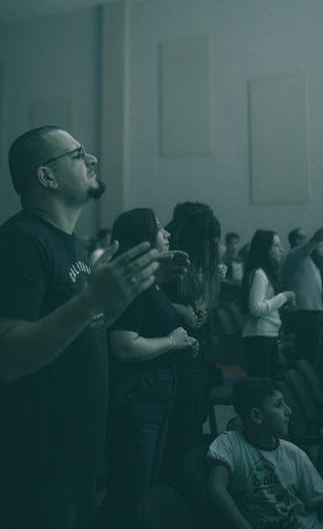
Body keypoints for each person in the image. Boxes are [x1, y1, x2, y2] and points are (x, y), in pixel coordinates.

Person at [0, 126, 161, 529]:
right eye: (77, 154)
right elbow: (6, 357)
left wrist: (117, 299)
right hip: (28, 471)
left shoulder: (73, 245)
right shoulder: (20, 244)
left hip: (74, 462)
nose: (92, 159)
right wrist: (91, 300)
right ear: (46, 177)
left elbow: (83, 328)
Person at [101, 208, 195, 529]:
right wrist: (171, 342)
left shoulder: (150, 281)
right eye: (158, 229)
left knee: (145, 487)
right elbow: (124, 346)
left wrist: (180, 342)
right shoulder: (131, 283)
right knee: (131, 490)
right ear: (143, 239)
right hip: (138, 395)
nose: (166, 233)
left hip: (155, 392)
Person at [207, 377, 323, 528]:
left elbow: (319, 499)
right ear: (257, 416)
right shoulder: (228, 444)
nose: (289, 411)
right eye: (279, 405)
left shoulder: (294, 453)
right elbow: (216, 488)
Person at [161, 201, 222, 481]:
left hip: (199, 351)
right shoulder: (168, 259)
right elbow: (145, 298)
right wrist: (181, 309)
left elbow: (204, 304)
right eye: (207, 240)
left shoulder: (201, 261)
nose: (211, 246)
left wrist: (202, 303)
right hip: (175, 354)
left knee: (194, 417)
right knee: (179, 427)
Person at [241, 230, 295, 378]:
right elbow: (256, 308)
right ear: (265, 249)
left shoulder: (264, 272)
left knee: (266, 383)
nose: (281, 249)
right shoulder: (259, 273)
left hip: (266, 334)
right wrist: (284, 297)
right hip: (259, 336)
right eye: (276, 246)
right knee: (260, 385)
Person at [280, 226, 323, 364]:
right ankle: (299, 380)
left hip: (311, 311)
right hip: (303, 311)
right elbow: (315, 239)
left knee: (312, 348)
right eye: (301, 237)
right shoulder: (295, 255)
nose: (305, 239)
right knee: (305, 350)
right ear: (294, 240)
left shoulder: (308, 259)